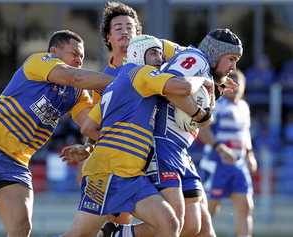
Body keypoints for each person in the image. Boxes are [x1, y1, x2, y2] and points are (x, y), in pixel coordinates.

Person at [61, 34, 213, 237]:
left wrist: (94, 145)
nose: (159, 58)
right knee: (78, 235)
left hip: (131, 175)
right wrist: (204, 79)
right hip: (107, 173)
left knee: (170, 223)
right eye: (153, 53)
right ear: (138, 55)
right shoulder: (141, 73)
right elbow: (183, 87)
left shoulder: (119, 82)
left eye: (160, 53)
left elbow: (88, 126)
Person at [100, 28, 242, 237]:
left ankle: (117, 234)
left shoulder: (206, 73)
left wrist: (214, 93)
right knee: (173, 222)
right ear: (216, 52)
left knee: (197, 228)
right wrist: (199, 113)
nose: (233, 66)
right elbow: (171, 87)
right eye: (231, 58)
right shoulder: (196, 59)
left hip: (180, 151)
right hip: (163, 145)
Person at [0, 29, 113, 237]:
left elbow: (89, 125)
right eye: (74, 54)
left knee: (21, 228)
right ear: (53, 51)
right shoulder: (38, 62)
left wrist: (90, 146)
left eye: (82, 57)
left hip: (15, 163)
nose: (79, 60)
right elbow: (73, 76)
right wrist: (122, 82)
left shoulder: (77, 94)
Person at [198, 70, 257, 237]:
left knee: (246, 206)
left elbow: (245, 133)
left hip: (239, 164)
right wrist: (220, 148)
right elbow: (203, 131)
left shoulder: (244, 107)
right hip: (217, 163)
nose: (236, 87)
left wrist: (250, 154)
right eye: (233, 82)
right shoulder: (216, 105)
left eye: (240, 83)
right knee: (210, 209)